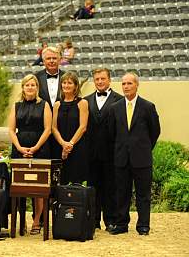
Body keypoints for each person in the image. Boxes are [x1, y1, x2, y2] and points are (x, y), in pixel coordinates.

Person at [108, 72, 160, 236]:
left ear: (137, 85)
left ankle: (143, 225)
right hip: (121, 158)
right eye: (123, 84)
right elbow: (111, 133)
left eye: (129, 83)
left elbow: (155, 132)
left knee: (143, 194)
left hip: (142, 158)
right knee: (121, 192)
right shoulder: (114, 108)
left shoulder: (148, 107)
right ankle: (121, 224)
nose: (126, 87)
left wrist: (143, 148)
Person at [8, 74, 52, 235]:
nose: (30, 88)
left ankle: (36, 221)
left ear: (37, 87)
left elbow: (48, 129)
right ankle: (21, 222)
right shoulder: (16, 106)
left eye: (33, 85)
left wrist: (35, 148)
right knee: (19, 187)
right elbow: (11, 130)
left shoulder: (45, 105)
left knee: (38, 188)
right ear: (23, 87)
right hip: (19, 149)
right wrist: (19, 147)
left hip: (39, 149)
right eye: (27, 85)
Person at [85, 68, 123, 230]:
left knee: (110, 187)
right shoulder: (85, 101)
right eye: (97, 79)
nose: (100, 82)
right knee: (93, 188)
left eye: (102, 79)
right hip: (92, 153)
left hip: (111, 152)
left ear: (109, 80)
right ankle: (93, 221)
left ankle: (111, 220)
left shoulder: (120, 100)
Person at [52, 72, 89, 185]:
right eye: (64, 83)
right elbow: (54, 127)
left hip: (77, 147)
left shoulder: (82, 103)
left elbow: (83, 127)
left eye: (69, 83)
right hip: (59, 147)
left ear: (75, 86)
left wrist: (70, 144)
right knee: (61, 181)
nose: (66, 85)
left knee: (76, 182)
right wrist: (63, 144)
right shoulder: (57, 104)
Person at [35, 46, 65, 158]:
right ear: (43, 61)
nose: (51, 61)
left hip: (63, 128)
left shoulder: (68, 78)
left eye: (54, 58)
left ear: (60, 59)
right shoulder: (35, 78)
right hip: (41, 129)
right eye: (48, 58)